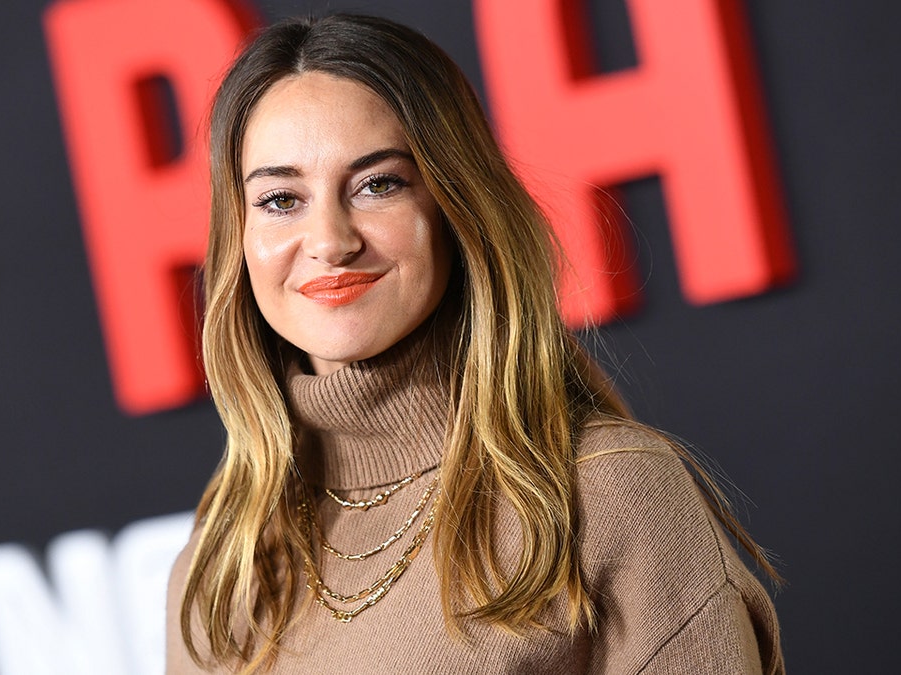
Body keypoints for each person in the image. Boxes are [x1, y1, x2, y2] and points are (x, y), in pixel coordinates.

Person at [166, 13, 783, 674]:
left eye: (379, 184)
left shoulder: (605, 495)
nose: (331, 241)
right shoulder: (222, 561)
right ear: (239, 240)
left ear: (457, 207)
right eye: (281, 199)